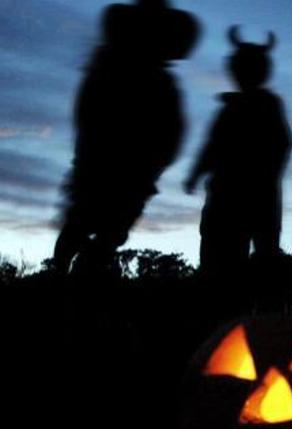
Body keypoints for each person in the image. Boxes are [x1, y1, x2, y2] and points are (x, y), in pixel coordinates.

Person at [53, 0, 199, 275]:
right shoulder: (111, 71)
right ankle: (65, 274)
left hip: (127, 174)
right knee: (86, 226)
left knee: (100, 229)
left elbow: (171, 132)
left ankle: (78, 274)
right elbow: (88, 116)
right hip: (106, 169)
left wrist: (155, 163)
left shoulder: (130, 75)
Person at [184, 26, 292, 279]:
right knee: (220, 257)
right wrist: (196, 173)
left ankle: (258, 307)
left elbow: (282, 144)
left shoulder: (267, 105)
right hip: (231, 193)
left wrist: (266, 175)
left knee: (260, 256)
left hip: (249, 193)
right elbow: (212, 146)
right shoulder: (232, 107)